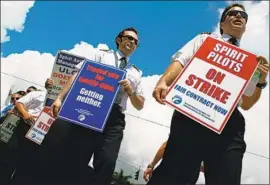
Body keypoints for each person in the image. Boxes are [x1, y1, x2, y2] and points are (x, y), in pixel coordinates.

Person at [149, 3, 269, 185]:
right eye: (233, 13)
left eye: (243, 15)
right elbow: (181, 61)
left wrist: (261, 80)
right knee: (175, 174)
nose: (239, 17)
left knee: (227, 178)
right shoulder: (204, 40)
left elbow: (246, 103)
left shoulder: (250, 60)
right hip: (192, 114)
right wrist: (164, 81)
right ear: (222, 23)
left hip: (229, 124)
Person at [50, 27, 145, 184]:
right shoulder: (100, 55)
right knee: (76, 158)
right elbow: (77, 74)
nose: (132, 42)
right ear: (119, 39)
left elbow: (140, 104)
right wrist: (60, 98)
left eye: (135, 41)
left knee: (107, 162)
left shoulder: (136, 73)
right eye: (129, 38)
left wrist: (130, 91)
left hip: (114, 118)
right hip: (91, 109)